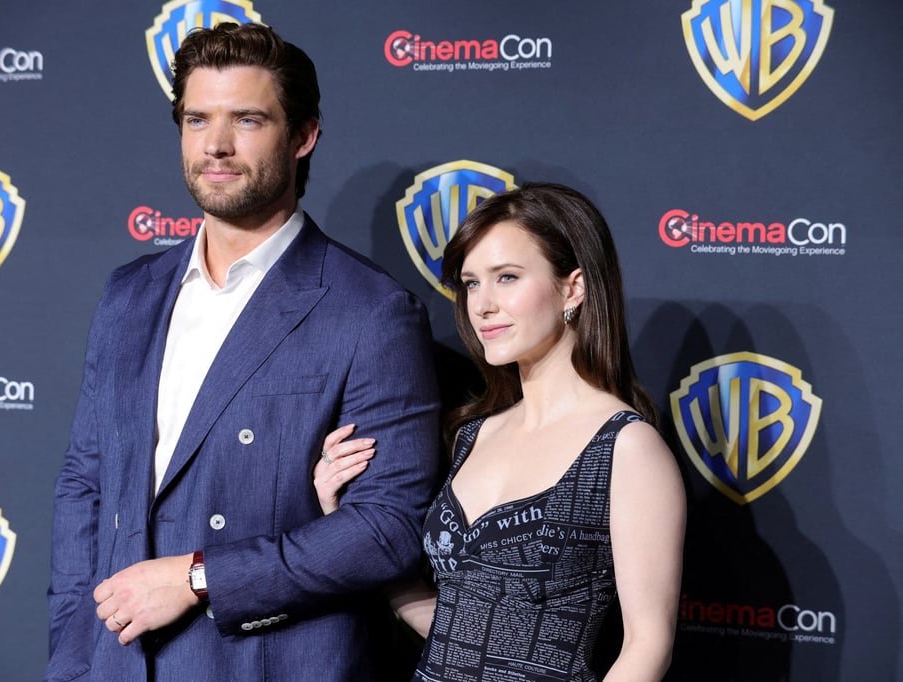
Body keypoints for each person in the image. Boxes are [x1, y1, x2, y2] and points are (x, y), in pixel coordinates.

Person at [46, 22, 441, 682]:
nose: (217, 145)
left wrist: (200, 578)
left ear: (303, 136)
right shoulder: (128, 295)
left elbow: (388, 529)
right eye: (197, 119)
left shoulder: (370, 311)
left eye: (248, 119)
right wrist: (71, 655)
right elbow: (85, 486)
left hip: (267, 663)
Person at [315, 183, 686, 681]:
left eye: (506, 277)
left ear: (572, 287)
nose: (482, 305)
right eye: (471, 283)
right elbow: (455, 627)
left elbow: (647, 647)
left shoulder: (624, 447)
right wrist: (346, 518)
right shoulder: (473, 434)